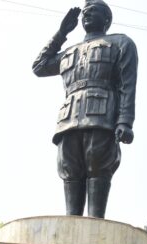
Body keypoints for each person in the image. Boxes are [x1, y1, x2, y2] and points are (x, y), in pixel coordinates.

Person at [32, 0, 138, 218]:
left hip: (102, 117)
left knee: (99, 169)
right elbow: (39, 67)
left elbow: (128, 85)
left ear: (107, 20)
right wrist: (61, 33)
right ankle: (72, 226)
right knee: (70, 171)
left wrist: (125, 121)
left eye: (94, 12)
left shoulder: (121, 43)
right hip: (68, 119)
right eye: (85, 13)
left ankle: (95, 226)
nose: (87, 15)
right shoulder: (70, 51)